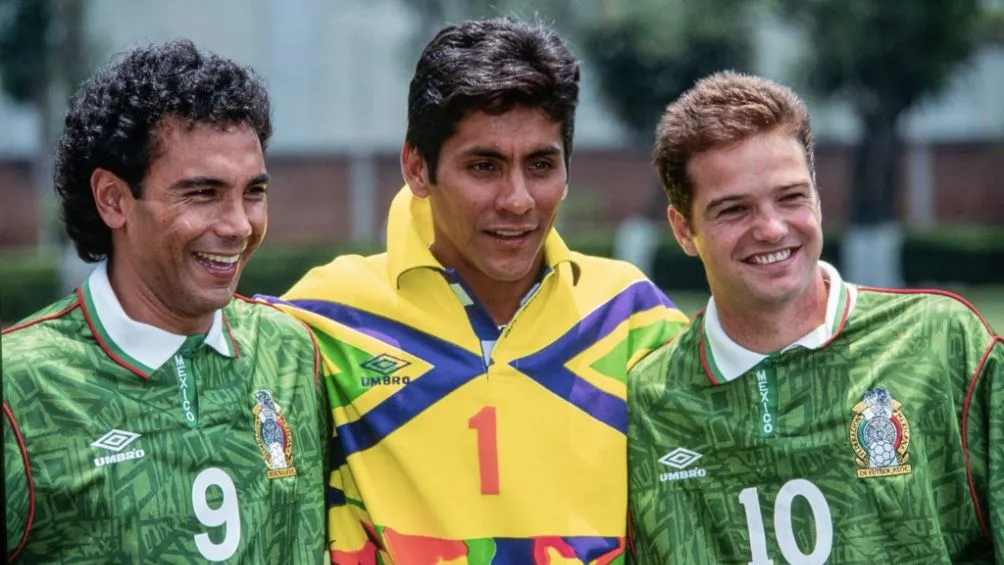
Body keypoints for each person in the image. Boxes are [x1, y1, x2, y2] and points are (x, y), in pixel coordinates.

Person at [261, 18, 688, 564]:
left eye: (541, 164)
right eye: (483, 166)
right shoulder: (323, 318)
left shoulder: (632, 317)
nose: (517, 200)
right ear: (417, 168)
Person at [628, 71, 1003, 563]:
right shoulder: (648, 407)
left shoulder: (945, 344)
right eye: (734, 210)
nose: (771, 228)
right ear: (683, 229)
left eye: (791, 197)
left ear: (818, 197)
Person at [2, 40, 327, 563]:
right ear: (112, 199)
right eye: (202, 194)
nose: (239, 225)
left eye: (254, 192)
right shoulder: (18, 386)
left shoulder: (295, 352)